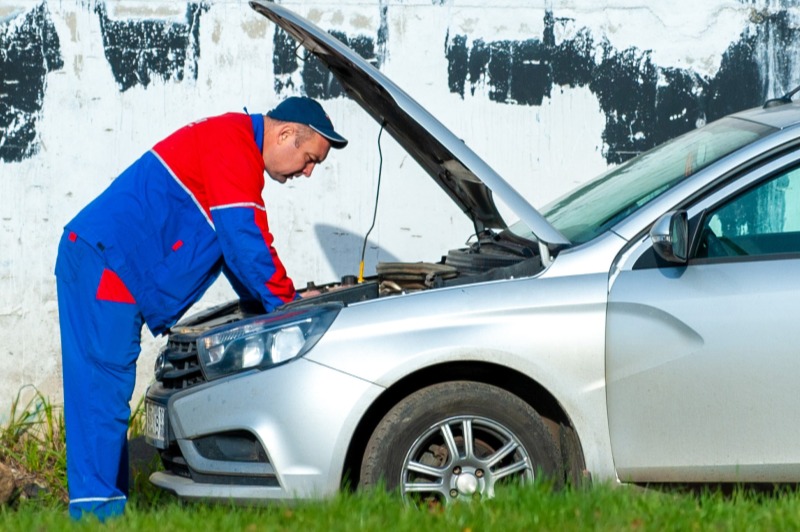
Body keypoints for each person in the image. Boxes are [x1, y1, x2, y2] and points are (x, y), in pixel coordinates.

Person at [54, 96, 347, 521]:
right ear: (285, 134)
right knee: (102, 394)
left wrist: (262, 308)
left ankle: (103, 510)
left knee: (105, 393)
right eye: (308, 159)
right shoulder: (233, 145)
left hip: (107, 260)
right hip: (106, 264)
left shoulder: (234, 144)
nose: (307, 172)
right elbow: (245, 239)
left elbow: (233, 249)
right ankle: (96, 515)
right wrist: (286, 305)